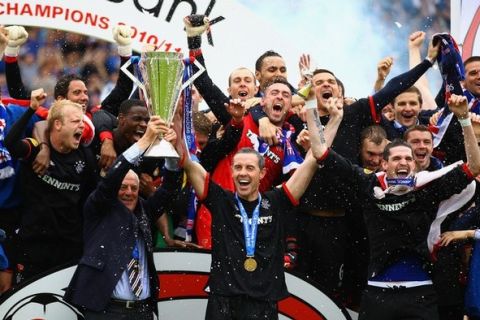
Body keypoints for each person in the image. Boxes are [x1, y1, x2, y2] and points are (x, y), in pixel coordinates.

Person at [312, 93, 480, 320]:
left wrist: (464, 120)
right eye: (397, 158)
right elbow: (321, 152)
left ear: (415, 165)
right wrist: (311, 106)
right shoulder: (369, 183)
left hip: (420, 293)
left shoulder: (427, 188)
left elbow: (474, 166)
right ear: (384, 163)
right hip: (377, 293)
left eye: (408, 159)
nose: (403, 162)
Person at [176, 95, 343, 319]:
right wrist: (177, 119)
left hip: (263, 303)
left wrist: (335, 121)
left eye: (249, 168)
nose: (243, 173)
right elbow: (187, 160)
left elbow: (314, 159)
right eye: (238, 168)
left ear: (262, 173)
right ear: (233, 172)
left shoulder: (276, 201)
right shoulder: (221, 200)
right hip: (224, 300)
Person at [64, 117, 180, 319]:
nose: (128, 192)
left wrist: (169, 152)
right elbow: (111, 181)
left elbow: (168, 189)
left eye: (134, 188)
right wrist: (144, 142)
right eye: (123, 187)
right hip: (106, 311)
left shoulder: (145, 209)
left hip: (142, 310)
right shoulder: (99, 208)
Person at [4, 89, 97, 282]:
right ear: (57, 124)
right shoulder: (36, 149)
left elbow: (89, 197)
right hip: (34, 244)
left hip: (69, 246)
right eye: (75, 122)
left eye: (82, 122)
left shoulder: (85, 157)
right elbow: (11, 143)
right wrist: (31, 109)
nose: (81, 126)